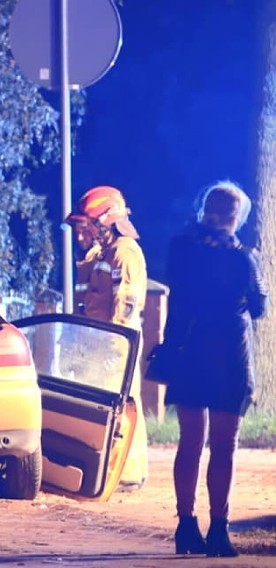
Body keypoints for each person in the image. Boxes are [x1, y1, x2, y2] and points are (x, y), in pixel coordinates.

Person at [163, 181, 268, 557]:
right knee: (224, 446)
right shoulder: (242, 257)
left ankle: (185, 524)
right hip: (229, 356)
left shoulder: (181, 249)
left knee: (190, 441)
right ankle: (219, 530)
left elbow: (177, 293)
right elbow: (258, 307)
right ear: (236, 217)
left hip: (189, 351)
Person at [65, 185, 149, 491]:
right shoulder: (100, 255)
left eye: (84, 227)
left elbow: (123, 310)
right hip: (99, 343)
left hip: (115, 347)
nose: (78, 235)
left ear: (105, 221)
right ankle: (111, 471)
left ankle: (127, 474)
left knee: (122, 408)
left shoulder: (125, 254)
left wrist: (110, 348)